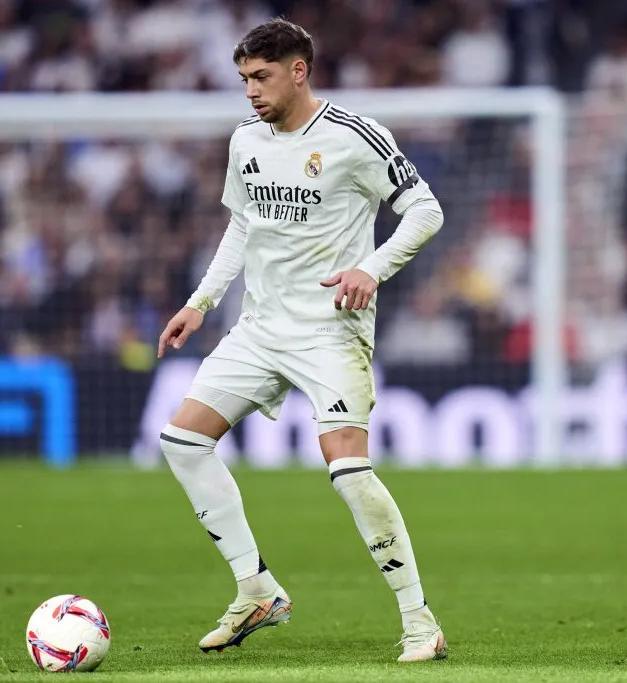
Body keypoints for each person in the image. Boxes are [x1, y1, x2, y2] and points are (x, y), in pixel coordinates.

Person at [156, 18, 446, 663]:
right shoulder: (245, 141)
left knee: (346, 469)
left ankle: (420, 622)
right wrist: (199, 303)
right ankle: (256, 588)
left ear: (298, 70)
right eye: (243, 79)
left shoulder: (354, 137)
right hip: (259, 328)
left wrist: (370, 269)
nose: (251, 91)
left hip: (329, 330)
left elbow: (426, 210)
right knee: (182, 441)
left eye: (261, 77)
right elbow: (243, 226)